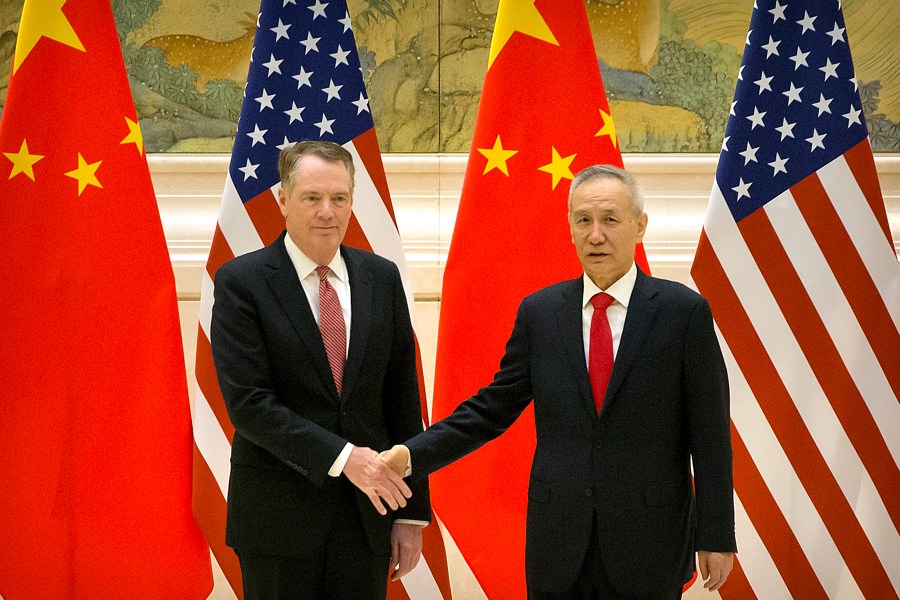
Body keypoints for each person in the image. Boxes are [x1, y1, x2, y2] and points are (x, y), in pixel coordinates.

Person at [382, 165, 736, 599]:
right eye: (583, 220)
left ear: (639, 226)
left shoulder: (684, 313)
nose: (596, 235)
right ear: (570, 229)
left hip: (650, 541)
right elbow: (490, 409)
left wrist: (716, 536)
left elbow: (712, 434)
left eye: (610, 219)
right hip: (558, 543)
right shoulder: (541, 312)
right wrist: (410, 454)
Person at [211, 140, 430, 599]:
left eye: (339, 198)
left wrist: (411, 513)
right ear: (283, 199)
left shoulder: (382, 277)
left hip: (367, 519)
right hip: (278, 521)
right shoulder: (241, 282)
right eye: (312, 198)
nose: (327, 212)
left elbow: (403, 399)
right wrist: (344, 457)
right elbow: (249, 405)